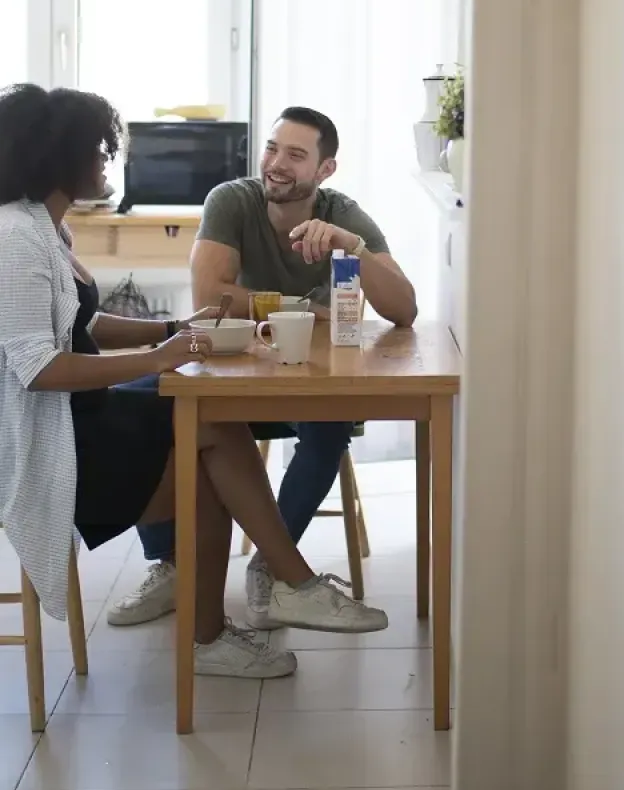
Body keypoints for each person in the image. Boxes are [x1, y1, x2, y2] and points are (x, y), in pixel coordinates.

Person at [0, 85, 389, 683]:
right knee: (206, 436)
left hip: (80, 415)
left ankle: (246, 611)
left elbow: (81, 325)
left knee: (207, 425)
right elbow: (41, 368)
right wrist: (160, 356)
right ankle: (284, 586)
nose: (109, 162)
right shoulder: (14, 239)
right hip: (50, 442)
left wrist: (170, 328)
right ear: (60, 159)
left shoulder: (47, 229)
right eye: (100, 152)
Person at [108, 105, 417, 632]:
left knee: (330, 428)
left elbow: (403, 309)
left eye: (296, 155)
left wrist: (352, 248)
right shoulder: (231, 201)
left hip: (310, 380)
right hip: (234, 373)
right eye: (273, 149)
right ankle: (173, 564)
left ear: (324, 170)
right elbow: (209, 296)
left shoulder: (343, 215)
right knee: (164, 410)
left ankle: (272, 568)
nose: (276, 163)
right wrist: (304, 308)